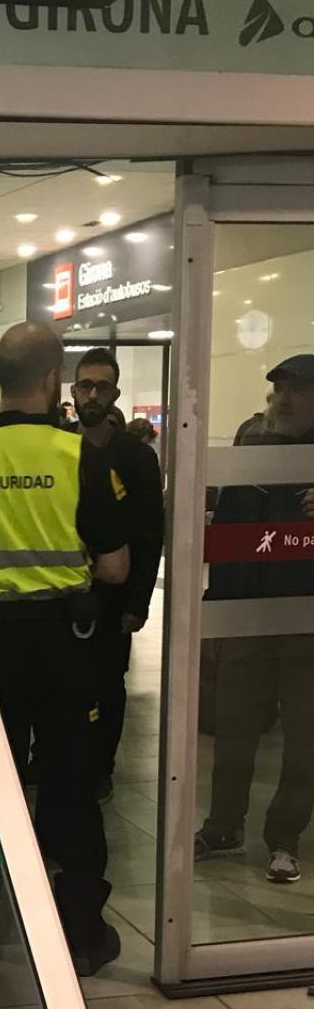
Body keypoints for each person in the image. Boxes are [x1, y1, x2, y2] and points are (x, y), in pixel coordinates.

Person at [0, 321, 129, 984]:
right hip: (66, 645)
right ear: (52, 380)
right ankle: (82, 936)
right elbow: (115, 567)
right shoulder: (81, 458)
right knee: (71, 784)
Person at [195, 354, 314, 884]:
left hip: (306, 625)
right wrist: (215, 614)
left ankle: (284, 838)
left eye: (298, 390)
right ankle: (223, 827)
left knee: (305, 743)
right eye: (280, 389)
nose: (284, 399)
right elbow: (226, 540)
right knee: (233, 733)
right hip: (248, 618)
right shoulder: (252, 454)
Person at [72, 349, 164, 801]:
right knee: (65, 681)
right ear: (73, 391)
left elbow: (150, 533)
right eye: (86, 385)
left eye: (102, 386)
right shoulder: (58, 448)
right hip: (65, 591)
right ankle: (57, 759)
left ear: (115, 393)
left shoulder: (136, 457)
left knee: (108, 682)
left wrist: (138, 601)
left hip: (114, 594)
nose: (93, 394)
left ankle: (99, 766)